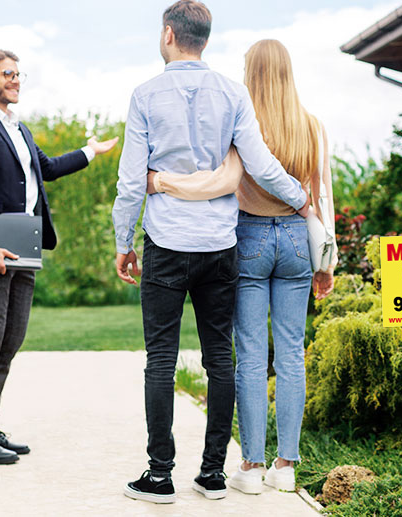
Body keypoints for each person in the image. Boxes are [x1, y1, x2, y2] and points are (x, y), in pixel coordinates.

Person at [112, 0, 310, 504]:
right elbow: (261, 165)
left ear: (168, 34)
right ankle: (213, 474)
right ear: (204, 37)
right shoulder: (233, 92)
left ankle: (159, 477)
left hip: (167, 245)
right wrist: (301, 199)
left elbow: (132, 181)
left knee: (161, 359)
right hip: (221, 246)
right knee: (219, 358)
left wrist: (123, 242)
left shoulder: (145, 95)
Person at [147, 39, 336, 494]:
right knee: (292, 353)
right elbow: (322, 193)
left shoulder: (243, 120)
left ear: (252, 73)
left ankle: (250, 467)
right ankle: (286, 465)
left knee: (250, 355)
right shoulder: (311, 126)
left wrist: (159, 182)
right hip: (295, 237)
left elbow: (225, 178)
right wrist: (328, 260)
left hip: (249, 237)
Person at [0, 49, 118, 465]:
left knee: (12, 337)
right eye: (7, 74)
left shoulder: (19, 129)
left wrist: (90, 151)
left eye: (19, 74)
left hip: (26, 247)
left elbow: (49, 169)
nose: (16, 80)